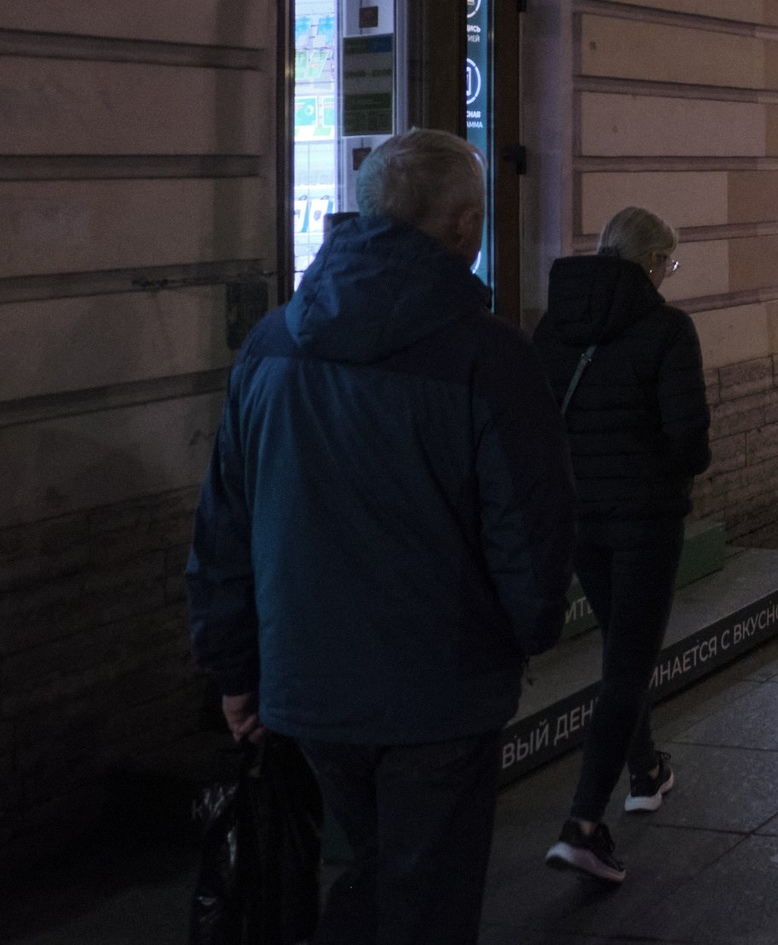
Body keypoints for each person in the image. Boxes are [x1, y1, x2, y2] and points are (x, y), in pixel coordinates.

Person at [187, 129, 576, 945]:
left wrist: (234, 666)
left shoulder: (272, 345)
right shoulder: (489, 357)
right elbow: (529, 525)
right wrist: (531, 629)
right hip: (440, 685)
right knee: (425, 896)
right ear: (464, 226)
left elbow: (224, 523)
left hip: (308, 683)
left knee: (375, 866)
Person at [535, 206, 712, 884]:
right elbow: (687, 441)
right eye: (669, 264)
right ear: (653, 263)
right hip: (645, 517)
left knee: (620, 646)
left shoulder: (554, 323)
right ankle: (582, 822)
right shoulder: (667, 329)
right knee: (629, 664)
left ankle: (646, 770)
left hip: (580, 515)